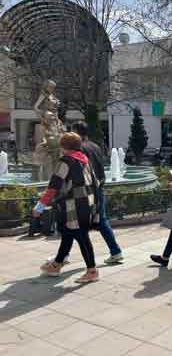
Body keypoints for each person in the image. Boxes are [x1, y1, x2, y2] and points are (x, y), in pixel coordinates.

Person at [36, 132, 100, 283]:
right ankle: (56, 265)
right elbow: (95, 183)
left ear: (63, 146)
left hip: (72, 206)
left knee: (81, 236)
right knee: (67, 234)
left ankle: (92, 270)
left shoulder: (66, 161)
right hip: (86, 203)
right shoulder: (85, 160)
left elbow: (54, 185)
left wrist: (40, 206)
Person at [72, 121, 123, 265]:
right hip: (99, 187)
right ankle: (115, 251)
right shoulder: (95, 146)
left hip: (88, 190)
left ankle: (63, 257)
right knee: (101, 221)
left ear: (76, 132)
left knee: (74, 223)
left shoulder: (79, 149)